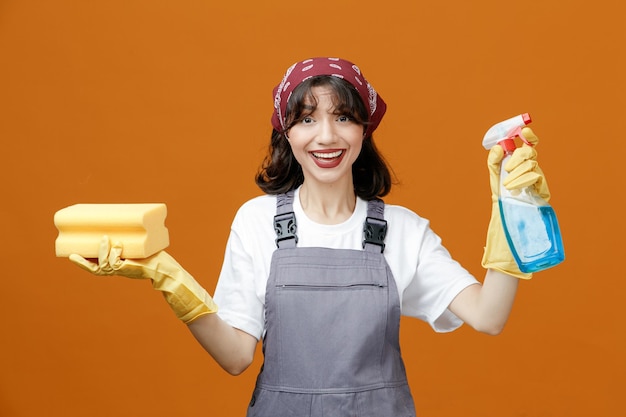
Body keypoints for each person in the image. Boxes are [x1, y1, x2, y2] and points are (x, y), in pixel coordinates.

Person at [70, 57, 551, 417]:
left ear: (364, 130)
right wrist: (168, 278)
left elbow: (489, 317)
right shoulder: (257, 222)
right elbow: (236, 356)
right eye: (307, 119)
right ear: (287, 133)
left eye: (343, 117)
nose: (326, 136)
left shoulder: (402, 231)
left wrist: (512, 210)